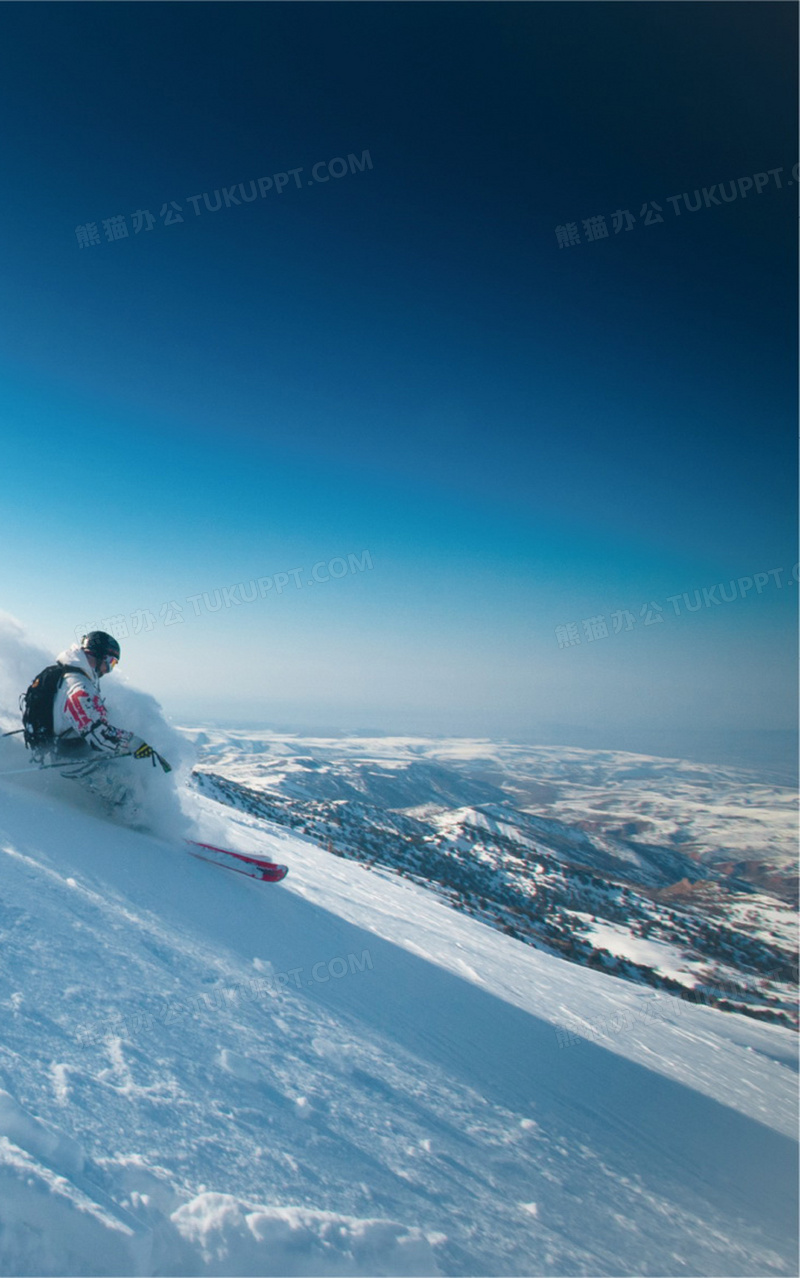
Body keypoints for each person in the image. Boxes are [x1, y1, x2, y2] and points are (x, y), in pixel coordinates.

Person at [51, 630, 153, 764]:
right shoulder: (79, 687)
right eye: (111, 663)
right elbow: (99, 737)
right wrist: (134, 744)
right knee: (134, 784)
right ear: (99, 656)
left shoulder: (71, 675)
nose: (107, 670)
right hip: (74, 762)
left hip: (74, 753)